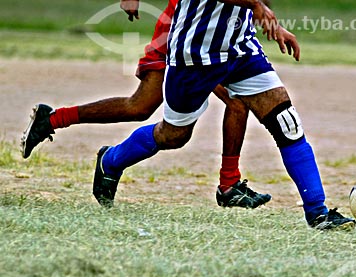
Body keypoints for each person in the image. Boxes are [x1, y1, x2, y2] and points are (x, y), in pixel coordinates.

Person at [94, 0, 356, 230]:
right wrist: (256, 5)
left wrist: (272, 24)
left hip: (240, 47)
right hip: (196, 52)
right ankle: (112, 160)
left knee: (287, 124)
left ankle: (318, 213)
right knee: (173, 135)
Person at [20, 0, 271, 209]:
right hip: (188, 29)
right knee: (235, 100)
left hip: (217, 34)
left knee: (141, 108)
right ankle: (228, 184)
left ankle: (53, 120)